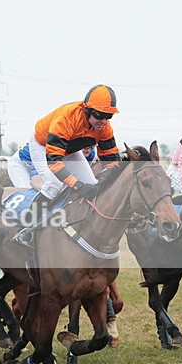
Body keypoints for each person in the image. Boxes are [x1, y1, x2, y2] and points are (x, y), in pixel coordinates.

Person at [13, 84, 121, 247]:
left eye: (108, 116)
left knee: (92, 185)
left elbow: (111, 159)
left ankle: (83, 228)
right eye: (100, 115)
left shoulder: (105, 128)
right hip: (43, 145)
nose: (103, 121)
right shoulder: (67, 118)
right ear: (87, 110)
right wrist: (77, 185)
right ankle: (25, 229)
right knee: (54, 184)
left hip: (70, 148)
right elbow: (54, 162)